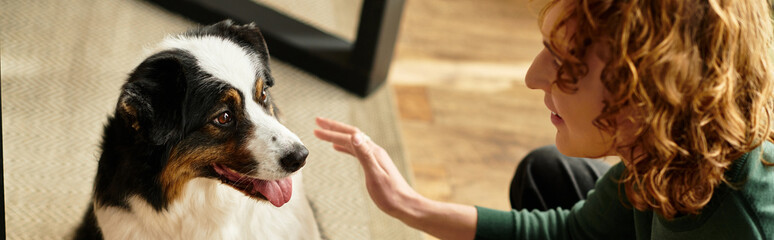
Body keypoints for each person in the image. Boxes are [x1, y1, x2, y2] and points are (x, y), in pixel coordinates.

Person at [314, 0, 774, 239]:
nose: (533, 77)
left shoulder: (738, 227)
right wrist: (408, 205)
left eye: (565, 63)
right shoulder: (663, 150)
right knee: (546, 174)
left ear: (651, 92)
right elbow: (575, 234)